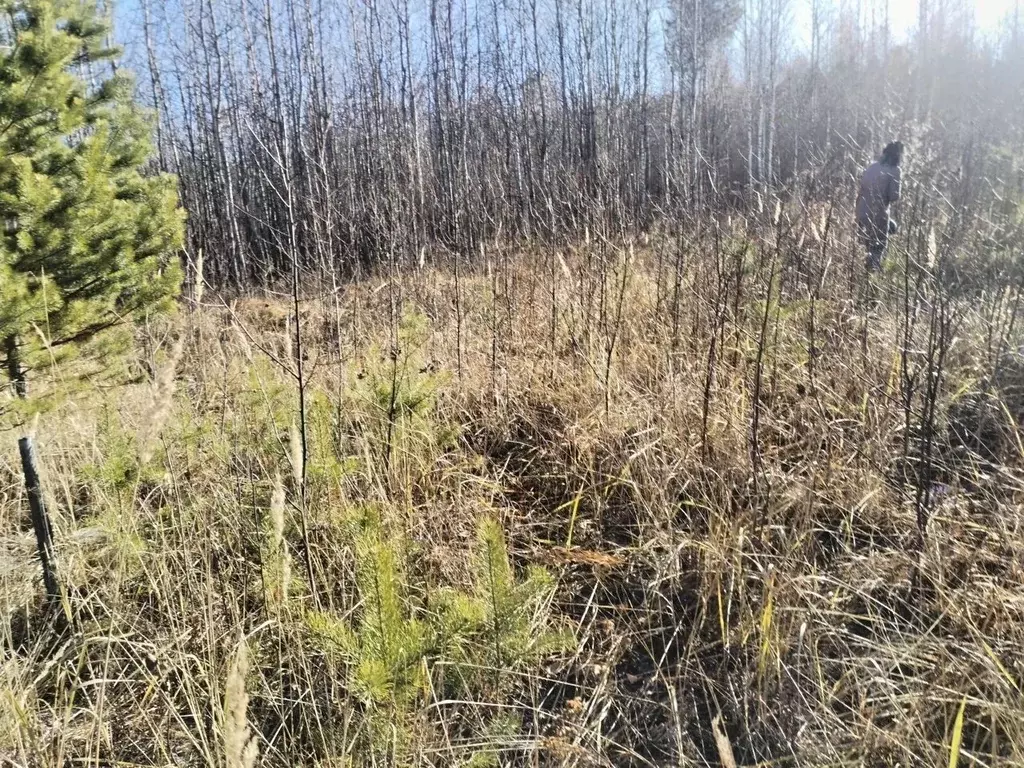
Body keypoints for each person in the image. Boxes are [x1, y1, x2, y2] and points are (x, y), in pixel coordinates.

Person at [856, 141, 903, 272]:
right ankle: (873, 276)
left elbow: (862, 187)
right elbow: (894, 196)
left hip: (862, 211)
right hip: (879, 214)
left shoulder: (872, 167)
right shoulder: (895, 170)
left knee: (864, 244)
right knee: (878, 246)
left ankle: (860, 273)